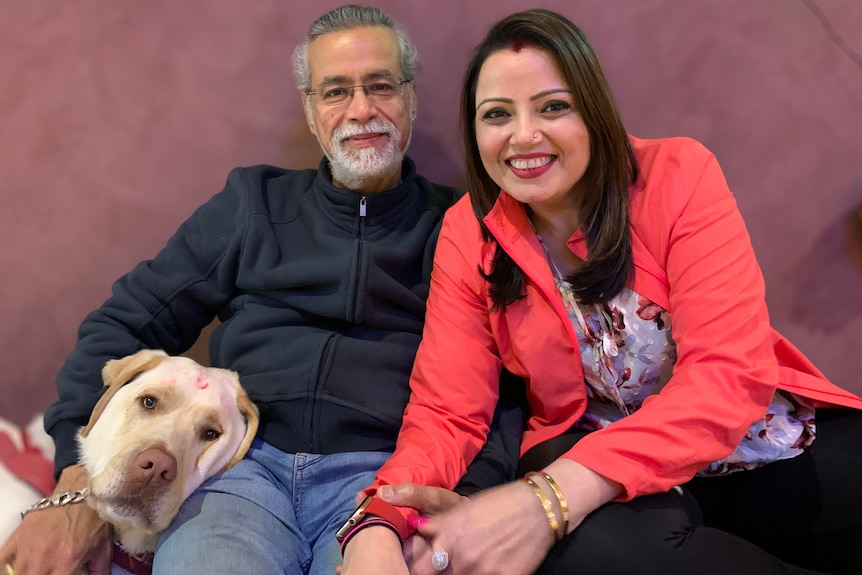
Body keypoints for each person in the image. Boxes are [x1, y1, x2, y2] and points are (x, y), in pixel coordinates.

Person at [0, 5, 523, 575]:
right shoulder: (253, 204)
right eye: (335, 92)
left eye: (380, 86)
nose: (361, 110)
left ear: (411, 98)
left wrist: (471, 492)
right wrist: (77, 476)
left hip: (383, 487)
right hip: (239, 474)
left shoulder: (463, 226)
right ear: (310, 109)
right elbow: (120, 324)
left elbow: (505, 384)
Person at [339, 8, 862, 575]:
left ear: (593, 109)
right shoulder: (471, 231)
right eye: (496, 114)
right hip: (603, 474)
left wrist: (549, 498)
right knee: (608, 556)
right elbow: (447, 410)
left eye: (553, 106)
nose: (523, 135)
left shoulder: (678, 174)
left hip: (753, 443)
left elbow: (727, 374)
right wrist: (378, 518)